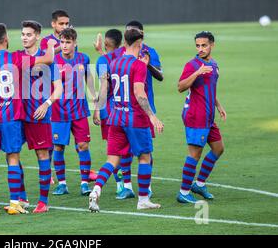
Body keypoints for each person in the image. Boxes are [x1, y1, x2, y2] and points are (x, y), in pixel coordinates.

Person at [0, 23, 55, 216]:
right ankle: (15, 202)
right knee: (13, 157)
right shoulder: (16, 58)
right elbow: (48, 59)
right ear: (6, 39)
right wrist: (50, 45)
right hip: (9, 115)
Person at [88, 27, 164, 212]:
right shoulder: (138, 65)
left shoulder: (114, 63)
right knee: (145, 157)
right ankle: (143, 199)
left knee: (112, 159)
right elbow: (139, 92)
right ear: (139, 43)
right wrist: (152, 117)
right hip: (135, 119)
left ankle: (96, 190)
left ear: (124, 43)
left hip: (116, 118)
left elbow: (105, 89)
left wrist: (98, 109)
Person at [15, 20, 63, 213]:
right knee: (12, 153)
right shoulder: (16, 57)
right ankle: (21, 196)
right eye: (23, 34)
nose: (25, 38)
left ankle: (43, 202)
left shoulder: (48, 60)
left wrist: (46, 103)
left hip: (38, 113)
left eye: (29, 34)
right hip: (17, 113)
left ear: (37, 37)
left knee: (42, 154)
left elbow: (58, 88)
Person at [176, 31, 226, 204]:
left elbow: (210, 88)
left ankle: (199, 184)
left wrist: (218, 105)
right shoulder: (192, 65)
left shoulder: (214, 64)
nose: (200, 49)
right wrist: (197, 73)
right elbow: (180, 87)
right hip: (196, 115)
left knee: (218, 148)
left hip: (208, 116)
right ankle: (183, 192)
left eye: (204, 45)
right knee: (194, 154)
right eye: (198, 45)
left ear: (212, 45)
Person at [51, 27, 97, 196]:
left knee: (83, 145)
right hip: (58, 112)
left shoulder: (83, 59)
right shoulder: (53, 61)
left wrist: (96, 108)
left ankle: (85, 183)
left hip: (79, 111)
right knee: (58, 147)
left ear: (75, 43)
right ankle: (62, 184)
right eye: (62, 42)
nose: (64, 45)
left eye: (68, 42)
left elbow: (90, 84)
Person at [93, 29, 134, 198]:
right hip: (127, 108)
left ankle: (119, 185)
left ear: (106, 44)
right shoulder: (126, 56)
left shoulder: (102, 60)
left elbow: (104, 86)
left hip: (108, 111)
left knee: (113, 150)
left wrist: (96, 108)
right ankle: (128, 183)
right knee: (128, 148)